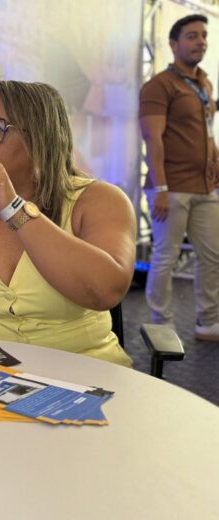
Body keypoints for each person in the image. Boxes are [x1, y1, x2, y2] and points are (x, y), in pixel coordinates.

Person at [0, 80, 135, 366]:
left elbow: (105, 291)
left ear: (39, 139)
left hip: (88, 371)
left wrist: (12, 208)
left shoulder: (98, 200)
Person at [139, 14, 219, 341]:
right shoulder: (159, 86)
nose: (200, 42)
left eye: (203, 36)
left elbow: (207, 133)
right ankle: (162, 324)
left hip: (205, 187)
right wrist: (160, 187)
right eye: (192, 36)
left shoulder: (204, 84)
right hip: (170, 188)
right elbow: (152, 138)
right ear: (173, 44)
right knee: (166, 257)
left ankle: (208, 322)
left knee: (212, 256)